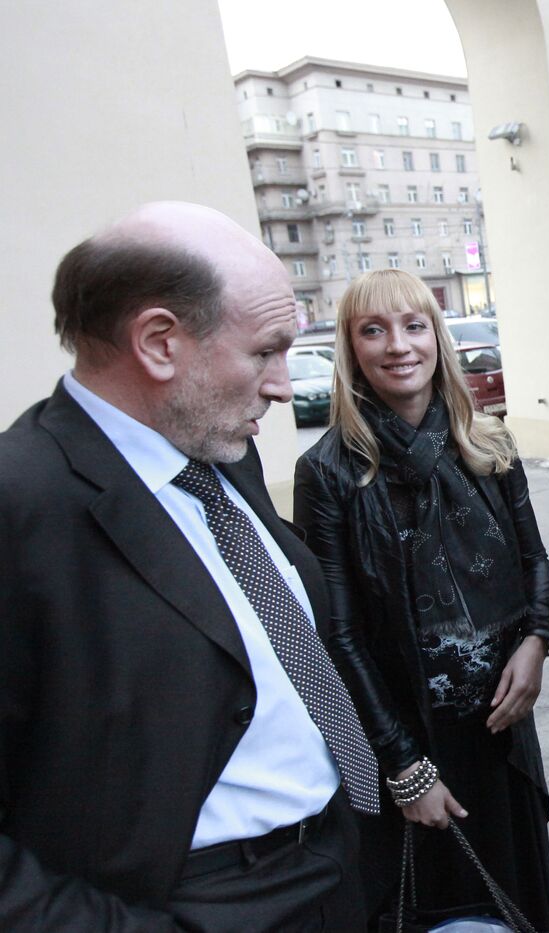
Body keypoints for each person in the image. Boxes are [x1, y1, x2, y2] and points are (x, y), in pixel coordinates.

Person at [0, 201, 373, 931]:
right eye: (265, 350)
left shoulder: (218, 448)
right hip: (188, 901)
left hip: (329, 865)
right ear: (160, 343)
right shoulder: (21, 506)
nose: (281, 383)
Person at [294, 269, 549, 929]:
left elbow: (534, 561)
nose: (398, 345)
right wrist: (404, 765)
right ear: (351, 350)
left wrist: (536, 640)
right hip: (413, 743)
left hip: (503, 735)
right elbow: (337, 634)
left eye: (414, 325)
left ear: (437, 337)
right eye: (372, 330)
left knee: (520, 909)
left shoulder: (488, 441)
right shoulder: (329, 470)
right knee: (441, 913)